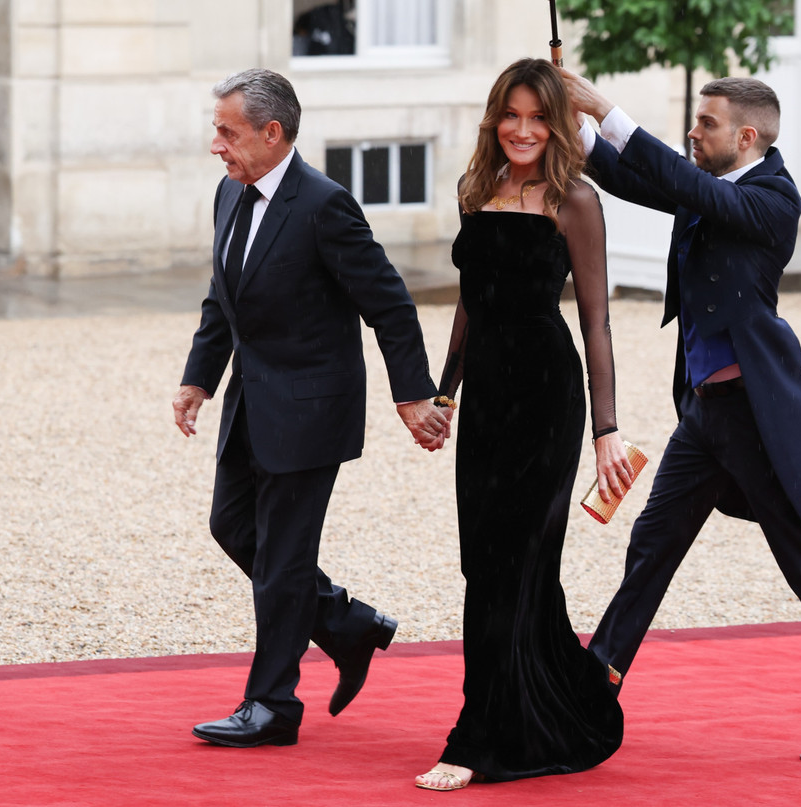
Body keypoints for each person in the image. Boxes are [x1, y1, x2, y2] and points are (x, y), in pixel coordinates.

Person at [559, 68, 801, 767]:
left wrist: (606, 109)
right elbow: (647, 181)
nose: (694, 133)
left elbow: (688, 186)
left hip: (754, 415)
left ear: (747, 135)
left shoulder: (773, 198)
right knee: (652, 543)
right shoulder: (710, 184)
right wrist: (580, 134)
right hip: (704, 414)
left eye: (707, 124)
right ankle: (593, 685)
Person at [174, 68, 451, 749]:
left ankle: (272, 704)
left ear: (272, 133)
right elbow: (223, 295)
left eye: (228, 132)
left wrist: (412, 396)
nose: (216, 144)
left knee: (282, 558)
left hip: (310, 411)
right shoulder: (229, 192)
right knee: (232, 526)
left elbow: (390, 303)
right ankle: (347, 625)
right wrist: (199, 379)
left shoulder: (325, 206)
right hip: (250, 402)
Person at [414, 58, 631, 792]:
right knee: (486, 562)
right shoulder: (474, 189)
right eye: (511, 114)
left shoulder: (575, 200)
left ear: (558, 124)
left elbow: (597, 321)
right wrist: (444, 393)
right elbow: (471, 300)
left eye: (539, 116)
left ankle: (477, 736)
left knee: (511, 562)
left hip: (546, 399)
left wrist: (606, 429)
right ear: (494, 119)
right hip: (485, 400)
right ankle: (568, 694)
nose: (523, 129)